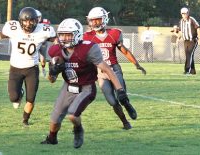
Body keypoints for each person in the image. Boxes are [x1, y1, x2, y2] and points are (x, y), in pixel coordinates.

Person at [40, 18, 136, 148]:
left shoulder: (88, 48)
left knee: (73, 115)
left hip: (86, 87)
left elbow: (107, 69)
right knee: (55, 118)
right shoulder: (55, 51)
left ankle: (78, 129)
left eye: (68, 35)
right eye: (62, 34)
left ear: (77, 34)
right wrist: (53, 71)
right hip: (68, 87)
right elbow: (52, 80)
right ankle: (52, 139)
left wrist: (120, 90)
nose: (64, 38)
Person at [0, 7, 56, 126]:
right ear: (20, 21)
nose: (28, 24)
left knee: (31, 99)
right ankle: (20, 93)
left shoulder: (43, 30)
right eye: (25, 21)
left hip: (32, 69)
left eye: (31, 21)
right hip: (15, 69)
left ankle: (25, 120)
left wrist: (62, 53)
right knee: (14, 98)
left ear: (36, 21)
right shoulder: (13, 29)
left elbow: (58, 41)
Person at [83, 7, 145, 130]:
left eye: (97, 20)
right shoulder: (87, 37)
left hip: (114, 69)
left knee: (121, 95)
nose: (95, 23)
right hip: (100, 73)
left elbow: (124, 51)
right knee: (112, 101)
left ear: (104, 19)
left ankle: (127, 105)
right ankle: (125, 122)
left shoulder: (114, 33)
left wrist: (136, 64)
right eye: (93, 20)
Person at [178, 7, 200, 75]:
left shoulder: (191, 19)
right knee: (188, 55)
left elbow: (198, 28)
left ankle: (187, 70)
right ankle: (193, 71)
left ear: (188, 13)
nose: (184, 15)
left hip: (193, 40)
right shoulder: (181, 21)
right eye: (182, 13)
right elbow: (180, 30)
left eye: (185, 13)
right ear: (181, 14)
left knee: (189, 54)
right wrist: (178, 37)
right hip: (185, 41)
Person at [35, 9, 52, 77]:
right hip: (34, 42)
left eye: (39, 17)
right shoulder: (30, 23)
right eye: (37, 17)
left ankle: (43, 68)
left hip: (43, 43)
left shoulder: (45, 22)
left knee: (43, 59)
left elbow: (48, 31)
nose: (38, 19)